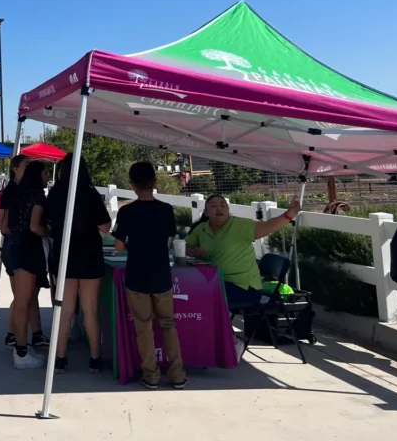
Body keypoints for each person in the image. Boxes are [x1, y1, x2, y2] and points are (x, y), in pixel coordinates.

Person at [113, 162, 186, 390]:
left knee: (143, 327)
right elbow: (169, 239)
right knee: (168, 325)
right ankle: (177, 374)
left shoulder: (126, 212)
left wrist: (129, 246)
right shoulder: (165, 209)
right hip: (162, 274)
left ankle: (151, 375)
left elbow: (118, 245)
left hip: (137, 275)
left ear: (132, 185)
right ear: (155, 182)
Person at [46, 153, 112, 374]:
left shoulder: (55, 194)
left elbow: (46, 223)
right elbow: (105, 227)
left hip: (64, 257)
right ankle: (95, 359)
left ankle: (60, 358)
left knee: (64, 311)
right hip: (90, 256)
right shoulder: (90, 195)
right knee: (90, 311)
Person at [185, 193, 302, 308]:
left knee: (203, 297)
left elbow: (268, 226)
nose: (219, 208)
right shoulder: (201, 229)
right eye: (213, 206)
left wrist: (289, 214)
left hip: (244, 287)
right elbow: (182, 247)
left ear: (228, 209)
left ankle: (217, 327)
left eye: (222, 205)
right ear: (206, 212)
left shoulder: (240, 226)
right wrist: (193, 251)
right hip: (217, 283)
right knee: (188, 291)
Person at [0, 160, 50, 368]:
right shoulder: (37, 197)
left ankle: (21, 345)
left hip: (11, 247)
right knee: (23, 302)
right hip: (27, 250)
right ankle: (21, 352)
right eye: (46, 172)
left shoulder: (15, 194)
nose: (48, 176)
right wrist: (51, 234)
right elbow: (35, 227)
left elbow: (3, 225)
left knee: (22, 300)